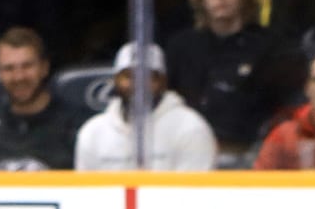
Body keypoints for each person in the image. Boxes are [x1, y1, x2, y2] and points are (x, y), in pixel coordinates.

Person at [165, 0, 303, 166]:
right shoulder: (181, 46)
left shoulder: (270, 46)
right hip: (186, 155)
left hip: (249, 155)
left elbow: (281, 109)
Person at [74, 42, 218, 172]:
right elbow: (87, 193)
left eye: (147, 76)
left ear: (163, 82)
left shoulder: (190, 127)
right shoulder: (93, 132)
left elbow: (194, 194)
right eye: (129, 76)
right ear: (115, 80)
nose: (137, 84)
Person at [0, 27, 81, 171]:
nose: (19, 77)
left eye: (27, 66)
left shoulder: (79, 127)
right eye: (9, 68)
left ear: (44, 68)